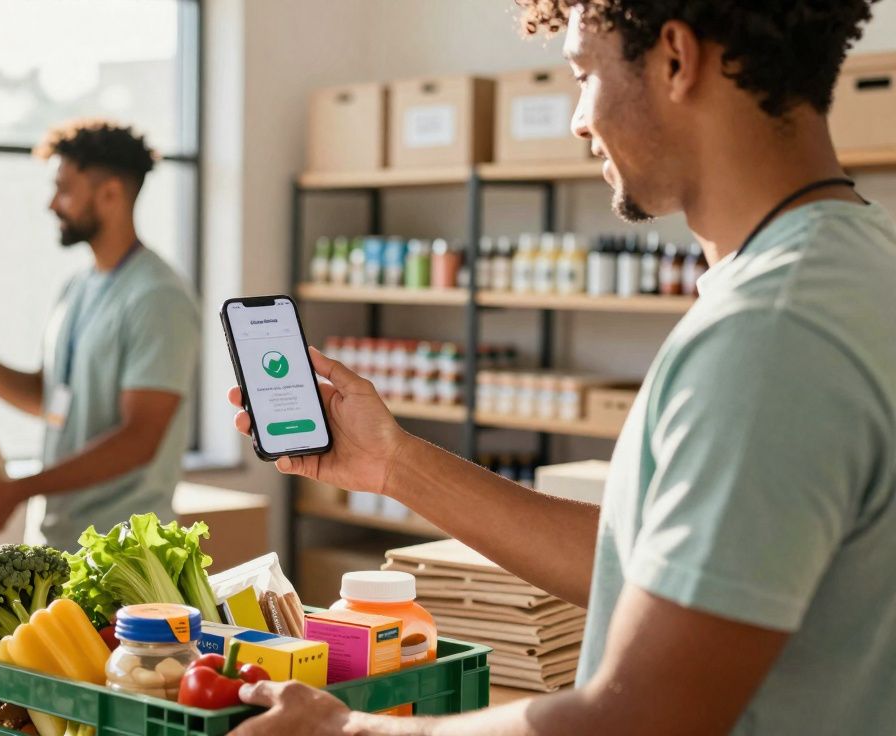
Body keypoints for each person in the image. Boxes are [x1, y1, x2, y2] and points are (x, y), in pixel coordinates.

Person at [227, 2, 895, 734]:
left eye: (583, 75)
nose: (579, 120)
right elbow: (650, 566)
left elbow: (644, 717)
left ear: (676, 58)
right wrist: (394, 464)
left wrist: (350, 729)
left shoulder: (769, 335)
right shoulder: (857, 264)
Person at [0, 121, 199, 546]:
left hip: (125, 551)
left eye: (65, 189)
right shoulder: (77, 287)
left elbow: (140, 438)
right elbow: (48, 398)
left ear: (110, 195)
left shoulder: (158, 298)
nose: (52, 204)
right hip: (61, 539)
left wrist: (18, 489)